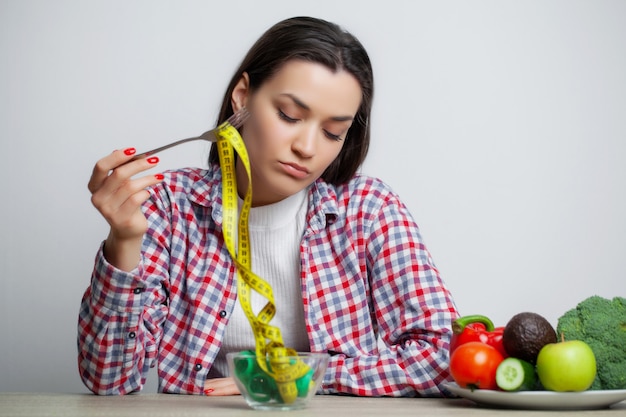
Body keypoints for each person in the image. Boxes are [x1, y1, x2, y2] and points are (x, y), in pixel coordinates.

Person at [79, 16, 459, 397]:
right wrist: (123, 244)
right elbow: (109, 382)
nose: (307, 148)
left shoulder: (370, 210)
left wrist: (308, 375)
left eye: (333, 132)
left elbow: (445, 356)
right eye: (290, 116)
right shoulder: (172, 206)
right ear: (242, 96)